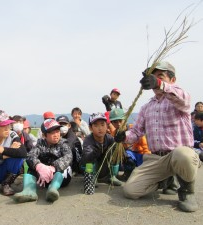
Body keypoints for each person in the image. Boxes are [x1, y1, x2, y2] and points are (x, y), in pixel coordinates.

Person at [114, 61, 200, 212]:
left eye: (160, 76)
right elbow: (136, 133)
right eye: (153, 77)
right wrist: (123, 136)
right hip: (156, 159)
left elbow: (185, 99)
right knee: (130, 190)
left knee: (183, 154)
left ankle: (187, 191)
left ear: (172, 80)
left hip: (177, 156)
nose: (155, 80)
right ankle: (163, 180)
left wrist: (160, 84)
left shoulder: (178, 100)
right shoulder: (146, 107)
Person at [14, 119, 73, 203]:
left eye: (57, 131)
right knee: (31, 168)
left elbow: (68, 156)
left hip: (60, 176)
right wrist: (39, 166)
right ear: (44, 135)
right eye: (52, 132)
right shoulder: (40, 144)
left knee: (64, 169)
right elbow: (30, 155)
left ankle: (53, 190)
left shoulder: (63, 143)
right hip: (43, 176)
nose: (56, 135)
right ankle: (29, 191)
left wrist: (53, 168)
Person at [109, 108, 150, 182]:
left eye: (120, 121)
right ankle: (127, 175)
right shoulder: (115, 134)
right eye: (115, 122)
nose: (118, 124)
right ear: (112, 123)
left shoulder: (133, 129)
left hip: (141, 155)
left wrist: (148, 158)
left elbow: (145, 145)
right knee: (125, 155)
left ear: (125, 120)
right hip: (129, 157)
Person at [81, 112, 121, 186]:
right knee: (88, 159)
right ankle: (91, 177)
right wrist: (96, 151)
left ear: (107, 126)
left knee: (116, 149)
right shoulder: (88, 140)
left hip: (104, 167)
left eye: (102, 125)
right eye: (96, 125)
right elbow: (87, 158)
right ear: (90, 128)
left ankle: (112, 176)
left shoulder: (109, 138)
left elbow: (116, 152)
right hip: (93, 166)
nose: (100, 128)